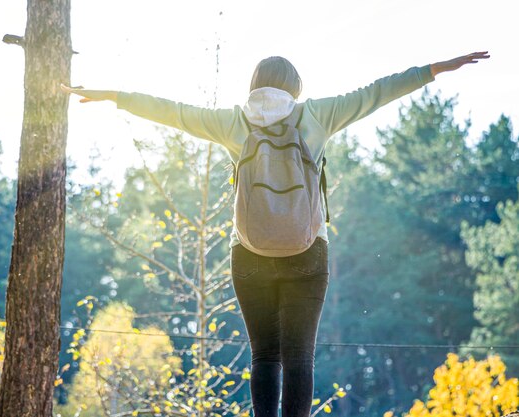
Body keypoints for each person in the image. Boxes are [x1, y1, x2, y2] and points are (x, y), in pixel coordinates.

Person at [61, 51, 489, 417]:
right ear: (294, 88)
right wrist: (434, 68)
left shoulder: (234, 122)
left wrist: (114, 96)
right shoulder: (317, 115)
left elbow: (172, 112)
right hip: (307, 251)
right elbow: (377, 92)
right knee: (299, 357)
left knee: (265, 355)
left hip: (248, 255)